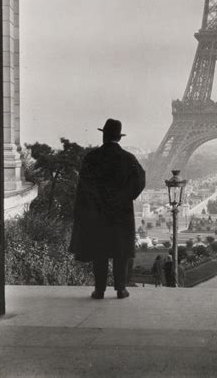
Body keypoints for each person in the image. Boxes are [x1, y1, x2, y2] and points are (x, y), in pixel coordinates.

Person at [69, 118, 145, 299]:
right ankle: (121, 289)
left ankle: (99, 290)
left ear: (103, 135)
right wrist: (126, 196)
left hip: (98, 213)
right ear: (119, 138)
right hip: (121, 213)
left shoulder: (92, 157)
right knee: (121, 252)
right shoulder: (128, 158)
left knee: (99, 252)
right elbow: (140, 180)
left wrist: (93, 204)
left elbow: (84, 186)